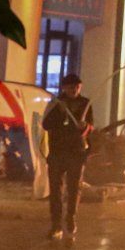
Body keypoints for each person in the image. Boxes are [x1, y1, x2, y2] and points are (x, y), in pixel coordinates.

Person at [42, 73, 93, 239]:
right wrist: (60, 113)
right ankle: (55, 223)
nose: (75, 90)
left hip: (76, 151)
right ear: (64, 87)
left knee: (74, 188)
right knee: (56, 189)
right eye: (71, 87)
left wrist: (84, 126)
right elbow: (46, 124)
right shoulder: (56, 103)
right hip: (57, 151)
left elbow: (91, 127)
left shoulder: (86, 103)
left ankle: (70, 219)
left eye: (78, 86)